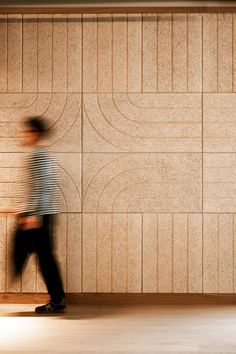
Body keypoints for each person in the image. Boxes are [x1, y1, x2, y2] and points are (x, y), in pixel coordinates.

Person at [12, 116, 66, 313]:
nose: (23, 135)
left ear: (35, 134)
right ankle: (57, 299)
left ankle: (58, 299)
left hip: (39, 215)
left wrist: (33, 214)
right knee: (45, 257)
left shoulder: (38, 156)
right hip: (41, 213)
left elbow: (43, 187)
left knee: (41, 257)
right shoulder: (39, 155)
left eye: (27, 131)